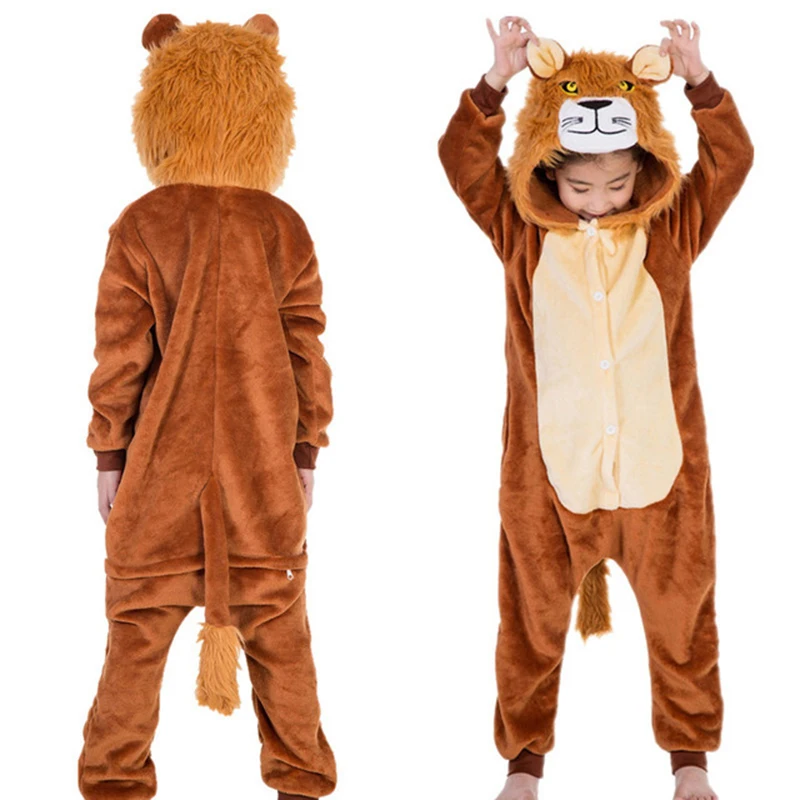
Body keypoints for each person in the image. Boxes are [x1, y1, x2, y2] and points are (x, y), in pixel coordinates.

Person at [438, 16, 754, 800]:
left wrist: (699, 81)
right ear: (547, 174)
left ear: (644, 171)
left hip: (661, 474)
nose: (599, 203)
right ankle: (523, 765)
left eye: (617, 187)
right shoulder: (522, 234)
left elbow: (731, 161)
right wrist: (496, 80)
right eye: (579, 188)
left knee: (683, 619)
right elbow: (463, 161)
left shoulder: (671, 227)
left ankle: (690, 761)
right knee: (530, 622)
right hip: (551, 479)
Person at [78, 15, 336, 800]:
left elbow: (119, 356)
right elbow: (307, 352)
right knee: (281, 638)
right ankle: (301, 777)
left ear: (163, 112)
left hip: (160, 479)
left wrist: (110, 454)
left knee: (135, 638)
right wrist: (305, 450)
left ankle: (114, 778)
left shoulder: (144, 224)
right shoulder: (284, 227)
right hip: (262, 479)